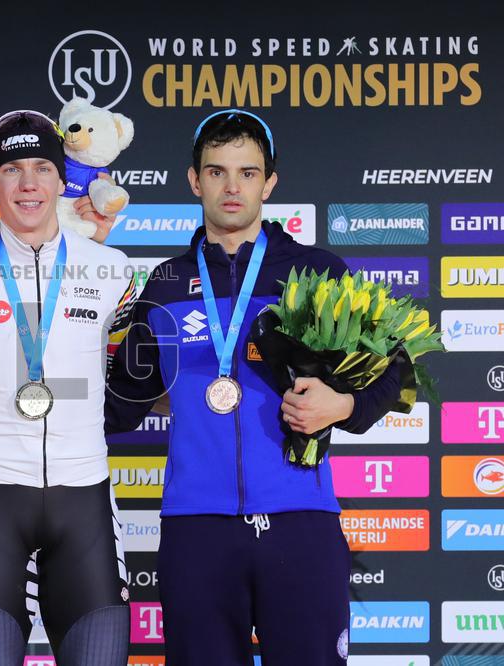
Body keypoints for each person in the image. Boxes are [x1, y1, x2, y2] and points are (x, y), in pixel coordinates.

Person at [104, 109, 403, 666]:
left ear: (270, 182)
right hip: (196, 527)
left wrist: (344, 405)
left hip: (300, 519)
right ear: (194, 181)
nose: (232, 186)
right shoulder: (164, 283)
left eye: (247, 172)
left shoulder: (316, 273)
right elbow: (119, 401)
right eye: (217, 172)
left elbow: (397, 365)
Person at [0, 110, 135, 665]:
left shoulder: (113, 271)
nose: (29, 183)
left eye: (42, 167)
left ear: (65, 179)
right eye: (12, 169)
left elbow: (128, 381)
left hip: (84, 500)